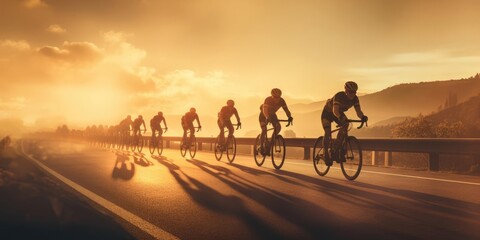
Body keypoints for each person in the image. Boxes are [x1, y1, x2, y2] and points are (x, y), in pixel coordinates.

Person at [321, 81, 368, 165]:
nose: (352, 94)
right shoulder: (339, 96)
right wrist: (341, 117)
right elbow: (335, 111)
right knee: (327, 132)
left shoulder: (355, 99)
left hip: (338, 113)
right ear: (346, 91)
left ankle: (336, 149)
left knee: (345, 125)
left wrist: (363, 117)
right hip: (327, 113)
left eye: (354, 92)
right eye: (350, 92)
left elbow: (358, 112)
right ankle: (325, 154)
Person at [260, 88, 293, 154]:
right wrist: (267, 117)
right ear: (272, 96)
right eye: (275, 97)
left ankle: (270, 143)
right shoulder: (268, 99)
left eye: (278, 97)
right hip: (263, 115)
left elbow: (286, 110)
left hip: (272, 115)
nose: (276, 99)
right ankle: (261, 147)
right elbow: (265, 110)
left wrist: (289, 117)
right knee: (264, 130)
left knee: (278, 127)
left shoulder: (282, 101)